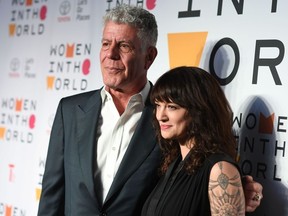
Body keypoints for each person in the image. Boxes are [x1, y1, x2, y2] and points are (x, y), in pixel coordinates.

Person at [37, 4, 262, 216]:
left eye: (124, 46)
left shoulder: (170, 119)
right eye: (106, 44)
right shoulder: (70, 110)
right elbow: (52, 195)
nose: (111, 54)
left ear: (149, 57)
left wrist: (240, 187)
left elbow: (196, 168)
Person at [141, 66, 246, 215]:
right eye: (158, 105)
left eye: (171, 107)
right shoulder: (173, 162)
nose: (160, 116)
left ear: (198, 112)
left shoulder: (220, 170)